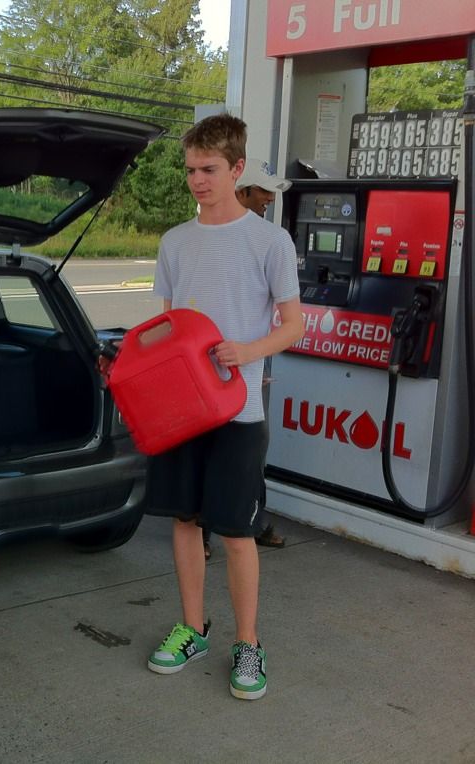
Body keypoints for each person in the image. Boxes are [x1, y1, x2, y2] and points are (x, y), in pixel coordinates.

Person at [142, 115, 304, 700]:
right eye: (190, 170)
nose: (197, 181)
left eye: (209, 170)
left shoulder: (268, 241)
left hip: (237, 413)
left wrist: (246, 351)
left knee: (236, 531)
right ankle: (192, 628)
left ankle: (249, 643)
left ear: (237, 169)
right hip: (183, 413)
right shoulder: (175, 242)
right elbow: (168, 326)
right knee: (184, 522)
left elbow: (293, 325)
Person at [202, 158, 293, 560]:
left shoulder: (272, 241)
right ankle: (207, 534)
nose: (269, 198)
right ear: (240, 190)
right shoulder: (195, 241)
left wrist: (253, 359)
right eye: (262, 191)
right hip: (206, 389)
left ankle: (249, 523)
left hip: (246, 391)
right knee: (208, 470)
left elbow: (291, 324)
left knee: (248, 463)